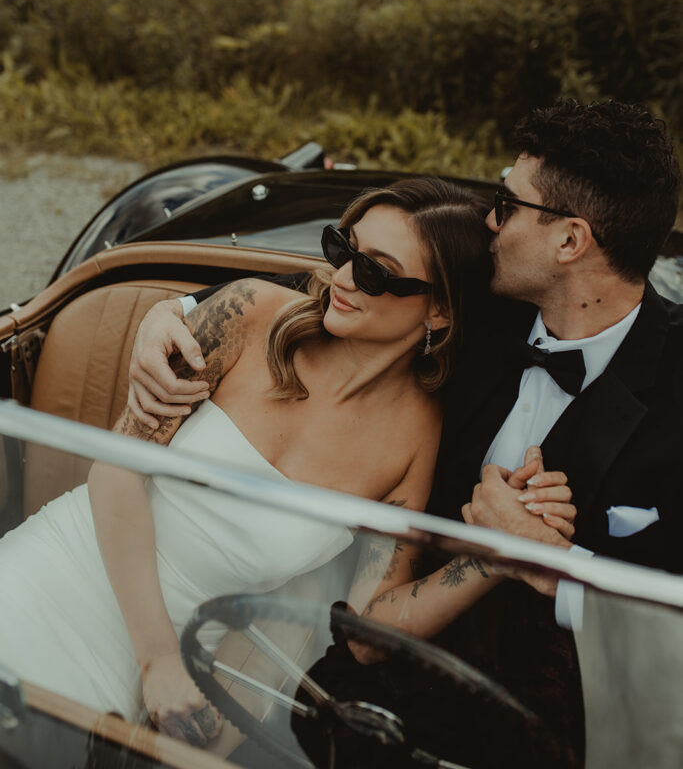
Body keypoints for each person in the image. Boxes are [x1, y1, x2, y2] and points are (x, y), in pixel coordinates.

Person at [129, 99, 682, 764]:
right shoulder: (483, 300)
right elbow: (362, 278)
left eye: (506, 206)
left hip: (563, 734)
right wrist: (176, 311)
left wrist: (553, 568)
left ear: (568, 241)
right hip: (366, 687)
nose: (489, 219)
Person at [0, 177, 565, 750]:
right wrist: (158, 661)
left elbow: (370, 628)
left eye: (375, 271)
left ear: (439, 311)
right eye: (343, 249)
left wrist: (495, 558)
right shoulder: (249, 313)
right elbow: (116, 473)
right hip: (57, 579)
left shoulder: (416, 437)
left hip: (160, 671)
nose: (342, 278)